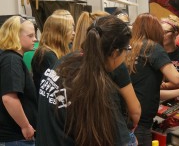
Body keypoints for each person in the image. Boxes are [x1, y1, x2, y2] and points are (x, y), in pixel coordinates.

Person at [36, 15, 137, 146]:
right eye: (127, 49)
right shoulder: (98, 87)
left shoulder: (64, 62)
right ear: (115, 53)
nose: (126, 55)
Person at [125, 13, 179, 146]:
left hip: (127, 120)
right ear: (154, 30)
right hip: (140, 124)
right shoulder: (152, 47)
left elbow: (147, 92)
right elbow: (176, 78)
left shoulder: (130, 49)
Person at [72, 11, 141, 137]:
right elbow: (135, 110)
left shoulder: (68, 64)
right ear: (115, 52)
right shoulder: (113, 72)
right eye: (127, 49)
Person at [0, 16, 37, 145]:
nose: (35, 39)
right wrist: (25, 126)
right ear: (15, 36)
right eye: (30, 36)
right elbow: (9, 98)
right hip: (15, 137)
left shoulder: (11, 58)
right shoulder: (11, 61)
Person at [31, 10, 75, 95]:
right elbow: (62, 83)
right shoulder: (46, 55)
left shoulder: (60, 51)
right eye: (70, 30)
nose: (74, 33)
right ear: (59, 33)